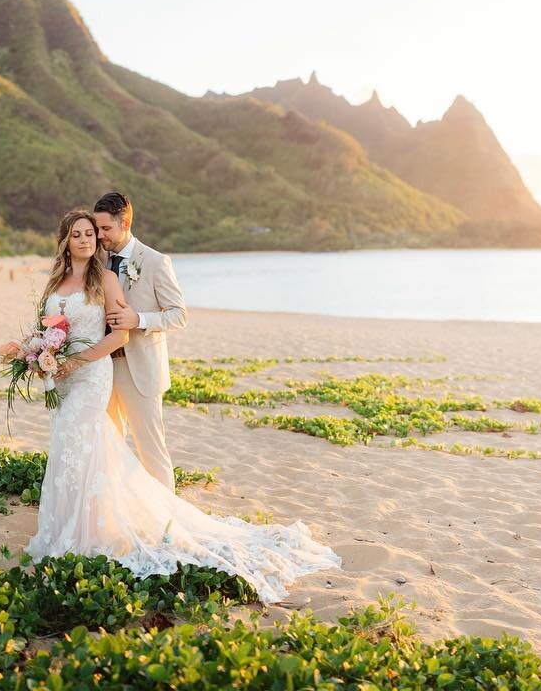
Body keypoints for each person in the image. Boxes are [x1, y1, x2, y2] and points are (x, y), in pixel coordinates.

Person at [24, 209, 341, 603]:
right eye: (81, 234)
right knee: (78, 448)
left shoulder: (113, 275)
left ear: (122, 225)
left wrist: (79, 357)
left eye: (96, 231)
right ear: (66, 240)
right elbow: (48, 328)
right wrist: (38, 355)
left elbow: (140, 327)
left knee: (120, 446)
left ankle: (161, 523)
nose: (91, 239)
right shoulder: (57, 280)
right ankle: (74, 524)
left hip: (97, 373)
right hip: (66, 379)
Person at [93, 191, 183, 490]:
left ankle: (167, 523)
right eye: (97, 228)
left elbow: (178, 315)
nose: (99, 235)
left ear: (125, 222)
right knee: (109, 445)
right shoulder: (97, 261)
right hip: (103, 366)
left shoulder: (156, 261)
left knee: (151, 448)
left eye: (106, 229)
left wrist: (139, 320)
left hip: (140, 368)